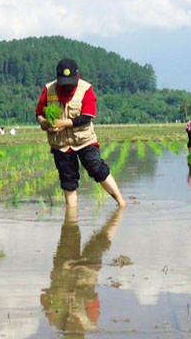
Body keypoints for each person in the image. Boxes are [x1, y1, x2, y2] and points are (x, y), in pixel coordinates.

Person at [35, 58, 126, 208]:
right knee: (68, 180)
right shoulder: (49, 89)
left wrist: (63, 123)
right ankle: (72, 215)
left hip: (84, 140)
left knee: (98, 169)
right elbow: (39, 113)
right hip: (61, 144)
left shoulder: (86, 89)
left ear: (77, 76)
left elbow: (86, 116)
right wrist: (44, 123)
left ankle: (121, 203)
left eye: (70, 83)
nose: (67, 87)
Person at [40, 207, 124, 335]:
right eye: (75, 331)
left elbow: (43, 297)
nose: (71, 324)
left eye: (70, 331)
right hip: (87, 270)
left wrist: (58, 292)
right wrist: (76, 293)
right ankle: (117, 216)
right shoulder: (90, 320)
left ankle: (118, 213)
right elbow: (92, 296)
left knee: (69, 231)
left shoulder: (55, 322)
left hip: (64, 268)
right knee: (101, 242)